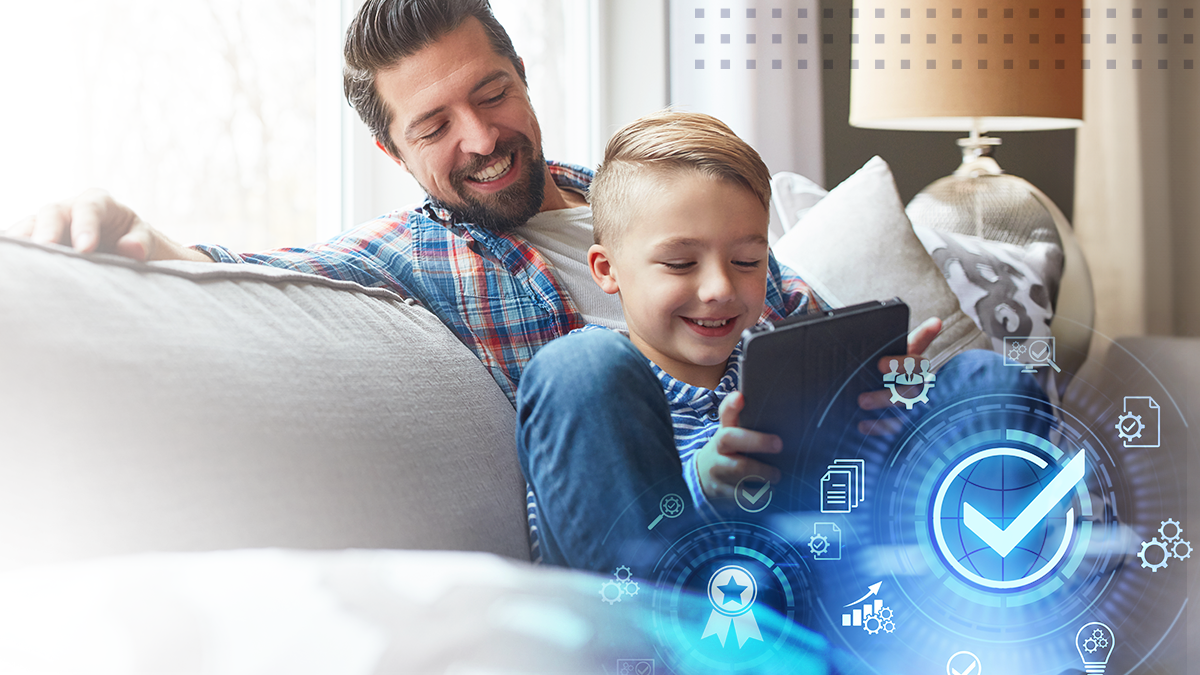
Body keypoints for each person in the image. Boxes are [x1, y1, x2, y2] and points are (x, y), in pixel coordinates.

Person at [4, 0, 956, 569]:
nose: (481, 136)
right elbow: (231, 270)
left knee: (972, 386)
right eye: (434, 124)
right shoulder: (404, 259)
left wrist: (886, 386)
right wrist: (120, 225)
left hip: (784, 498)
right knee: (583, 366)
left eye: (491, 92)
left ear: (523, 76)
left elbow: (801, 327)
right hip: (643, 541)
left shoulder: (660, 201)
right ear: (391, 148)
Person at [515, 112, 1049, 571]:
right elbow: (598, 523)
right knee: (579, 364)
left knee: (982, 378)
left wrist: (897, 422)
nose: (720, 288)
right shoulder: (603, 396)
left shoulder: (792, 363)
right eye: (680, 263)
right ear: (607, 270)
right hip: (680, 611)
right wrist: (700, 486)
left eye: (747, 262)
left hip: (820, 598)